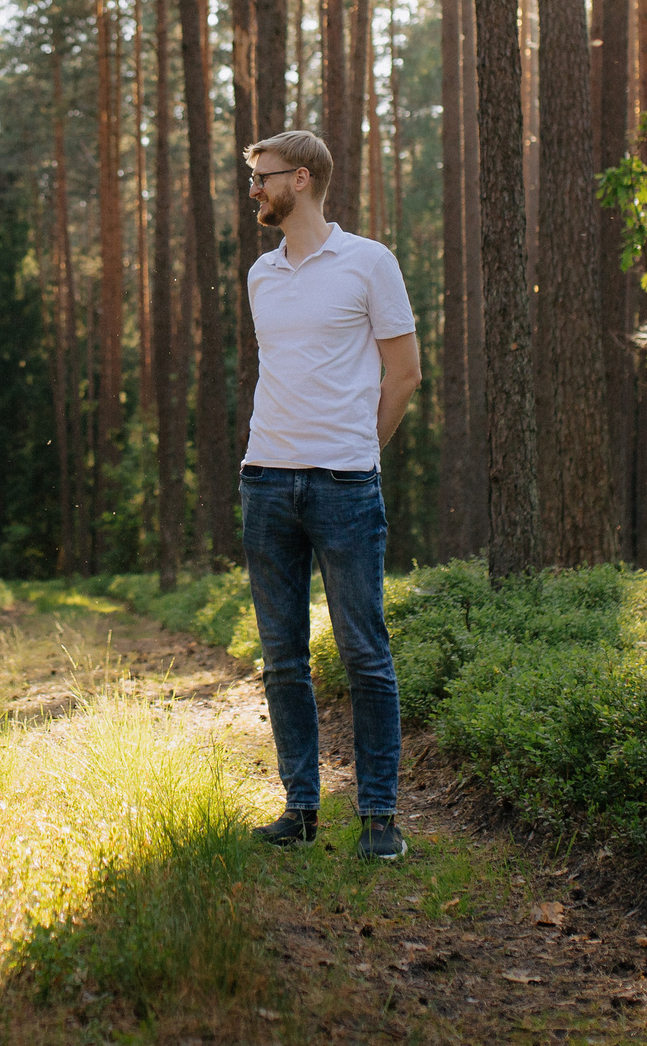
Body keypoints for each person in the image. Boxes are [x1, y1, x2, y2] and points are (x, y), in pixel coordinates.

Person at [238, 130, 422, 861]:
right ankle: (301, 808)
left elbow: (405, 373)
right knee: (282, 658)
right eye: (253, 177)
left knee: (364, 652)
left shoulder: (370, 262)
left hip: (345, 485)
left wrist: (361, 450)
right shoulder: (261, 274)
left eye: (264, 176)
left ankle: (379, 815)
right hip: (265, 481)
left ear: (303, 179)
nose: (255, 188)